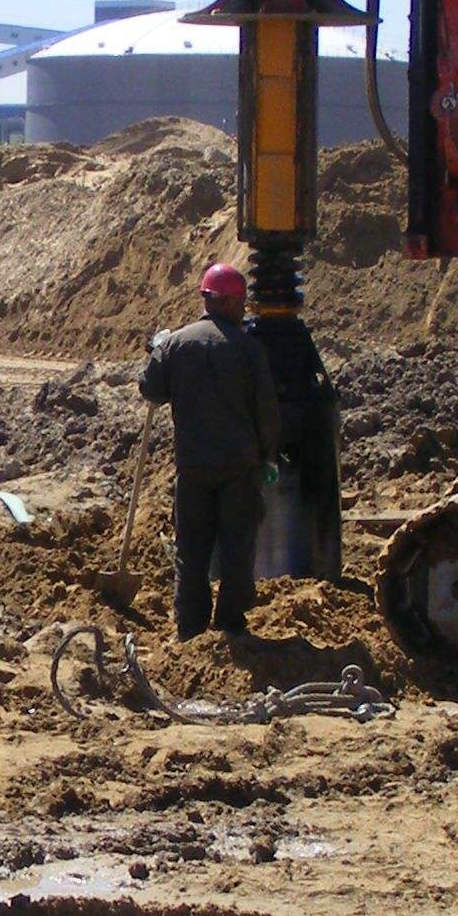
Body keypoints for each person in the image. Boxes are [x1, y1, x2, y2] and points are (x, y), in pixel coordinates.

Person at [138, 262, 281, 639]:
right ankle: (231, 624)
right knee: (237, 548)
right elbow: (267, 410)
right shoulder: (249, 350)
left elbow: (151, 390)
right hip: (239, 468)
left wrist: (156, 350)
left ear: (206, 298)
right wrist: (268, 456)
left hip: (194, 467)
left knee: (192, 548)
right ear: (233, 303)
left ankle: (190, 627)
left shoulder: (177, 344)